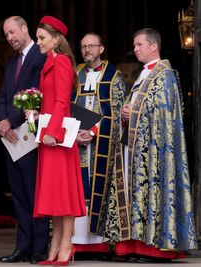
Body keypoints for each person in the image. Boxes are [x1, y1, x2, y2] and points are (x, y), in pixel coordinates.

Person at [104, 28, 197, 261]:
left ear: (153, 46)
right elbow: (137, 104)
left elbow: (162, 114)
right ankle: (135, 245)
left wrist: (133, 111)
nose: (135, 49)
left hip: (155, 149)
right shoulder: (144, 74)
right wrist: (126, 112)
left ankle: (155, 248)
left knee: (152, 194)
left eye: (139, 45)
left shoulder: (164, 75)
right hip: (136, 146)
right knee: (137, 195)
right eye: (135, 45)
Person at [27, 16, 86, 266]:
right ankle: (56, 246)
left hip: (58, 138)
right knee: (54, 194)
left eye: (42, 38)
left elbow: (63, 101)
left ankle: (65, 246)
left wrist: (52, 131)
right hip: (48, 135)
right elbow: (52, 103)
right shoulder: (48, 62)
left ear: (56, 39)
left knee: (63, 193)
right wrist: (39, 115)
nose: (38, 42)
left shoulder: (61, 62)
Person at [0, 16, 49, 264]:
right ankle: (23, 247)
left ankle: (39, 248)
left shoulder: (41, 57)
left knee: (34, 193)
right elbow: (3, 97)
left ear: (25, 28)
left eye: (12, 32)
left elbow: (37, 94)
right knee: (18, 195)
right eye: (6, 34)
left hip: (30, 136)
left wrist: (12, 120)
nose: (10, 38)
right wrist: (2, 122)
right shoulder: (10, 64)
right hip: (11, 139)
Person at [71, 33, 125, 256]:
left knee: (98, 189)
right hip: (76, 143)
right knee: (78, 189)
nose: (87, 50)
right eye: (83, 46)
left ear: (101, 49)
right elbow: (64, 106)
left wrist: (93, 131)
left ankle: (100, 243)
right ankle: (76, 242)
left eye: (91, 46)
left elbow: (117, 112)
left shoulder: (114, 77)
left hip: (101, 144)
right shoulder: (74, 74)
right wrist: (74, 133)